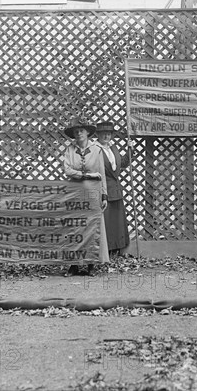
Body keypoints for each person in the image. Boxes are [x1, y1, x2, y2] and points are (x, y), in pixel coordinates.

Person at [63, 118, 109, 276]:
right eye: (75, 131)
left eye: (81, 130)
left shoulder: (97, 150)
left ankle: (91, 263)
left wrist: (104, 196)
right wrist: (87, 175)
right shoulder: (70, 150)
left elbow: (101, 173)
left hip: (93, 193)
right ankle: (74, 264)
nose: (78, 133)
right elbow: (68, 170)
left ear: (88, 132)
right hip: (74, 193)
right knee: (75, 227)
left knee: (92, 226)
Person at [95, 121, 131, 257]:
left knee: (117, 220)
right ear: (98, 135)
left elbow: (122, 163)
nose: (106, 136)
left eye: (109, 133)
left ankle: (117, 248)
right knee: (106, 221)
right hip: (103, 190)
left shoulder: (113, 148)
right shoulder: (95, 149)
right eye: (103, 133)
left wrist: (129, 150)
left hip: (116, 189)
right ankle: (107, 250)